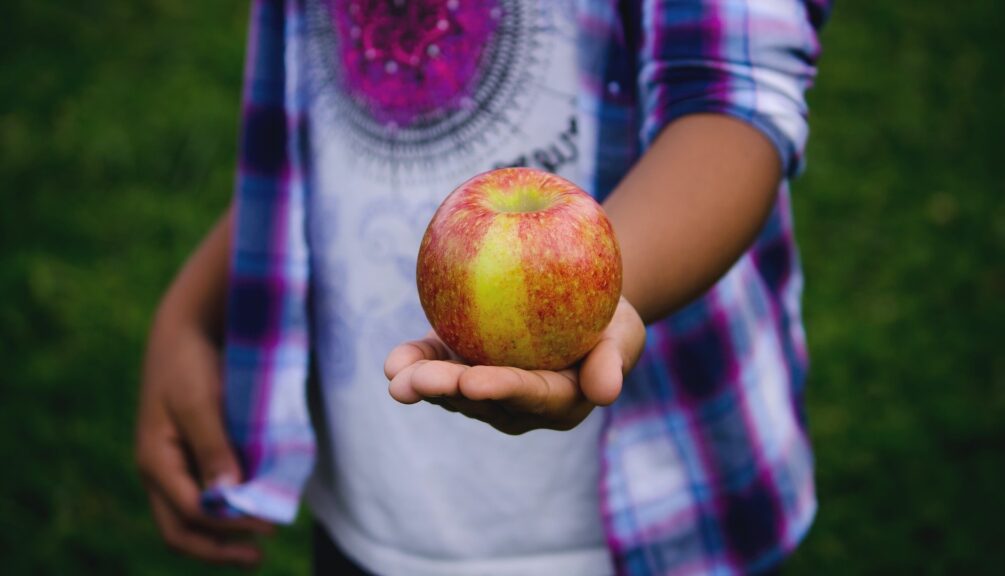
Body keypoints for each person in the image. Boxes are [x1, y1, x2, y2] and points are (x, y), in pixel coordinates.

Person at [135, 0, 831, 574]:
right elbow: (323, 118)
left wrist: (601, 303)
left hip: (638, 511)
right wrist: (191, 308)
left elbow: (731, 98)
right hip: (372, 493)